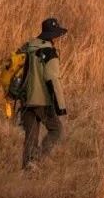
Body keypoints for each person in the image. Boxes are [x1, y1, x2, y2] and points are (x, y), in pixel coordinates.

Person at [18, 17, 68, 171]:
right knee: (56, 130)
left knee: (31, 134)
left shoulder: (28, 47)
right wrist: (61, 106)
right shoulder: (50, 52)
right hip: (42, 99)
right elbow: (52, 79)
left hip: (25, 98)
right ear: (53, 36)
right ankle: (36, 159)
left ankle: (28, 168)